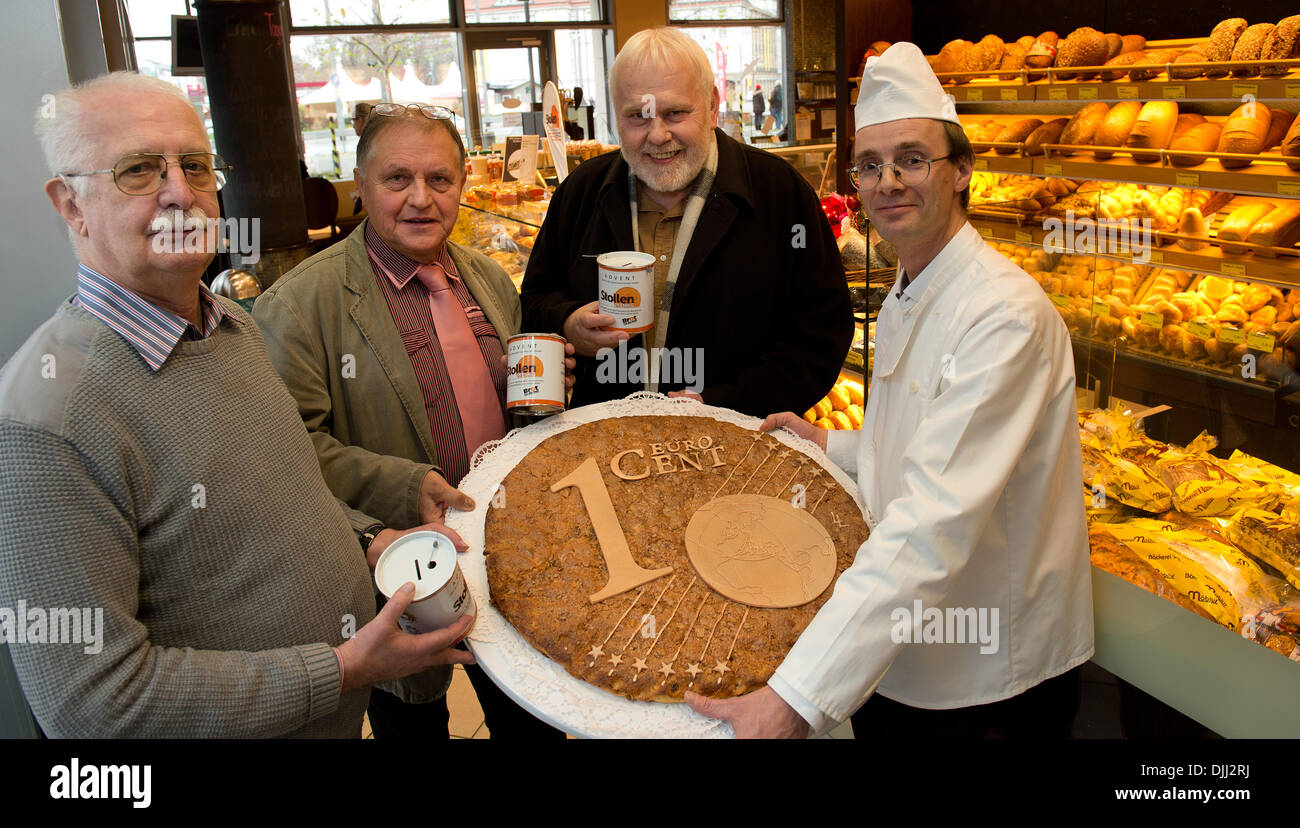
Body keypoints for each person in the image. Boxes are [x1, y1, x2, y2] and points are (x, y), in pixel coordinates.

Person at [0, 72, 471, 738]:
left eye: (194, 166)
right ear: (70, 204)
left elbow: (286, 495)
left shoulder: (231, 329)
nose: (178, 194)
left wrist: (370, 540)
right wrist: (337, 670)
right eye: (138, 170)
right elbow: (92, 705)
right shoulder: (46, 419)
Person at [687, 42, 1093, 738]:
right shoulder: (911, 288)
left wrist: (795, 698)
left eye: (911, 159)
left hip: (989, 674)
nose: (887, 182)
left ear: (962, 170)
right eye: (870, 166)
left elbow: (933, 520)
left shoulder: (1002, 314)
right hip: (904, 655)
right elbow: (920, 441)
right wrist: (831, 444)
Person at [254, 103, 571, 740]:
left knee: (533, 714)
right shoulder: (298, 305)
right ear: (361, 187)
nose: (421, 199)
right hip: (397, 569)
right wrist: (407, 486)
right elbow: (289, 453)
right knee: (413, 720)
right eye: (398, 180)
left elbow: (504, 397)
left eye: (441, 180)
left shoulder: (485, 276)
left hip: (509, 551)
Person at [521, 27, 852, 418]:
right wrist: (567, 322)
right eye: (637, 117)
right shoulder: (580, 193)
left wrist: (726, 404)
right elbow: (534, 301)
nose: (658, 135)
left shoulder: (780, 194)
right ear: (616, 116)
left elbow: (820, 335)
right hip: (601, 444)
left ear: (712, 106)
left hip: (736, 447)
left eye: (675, 113)